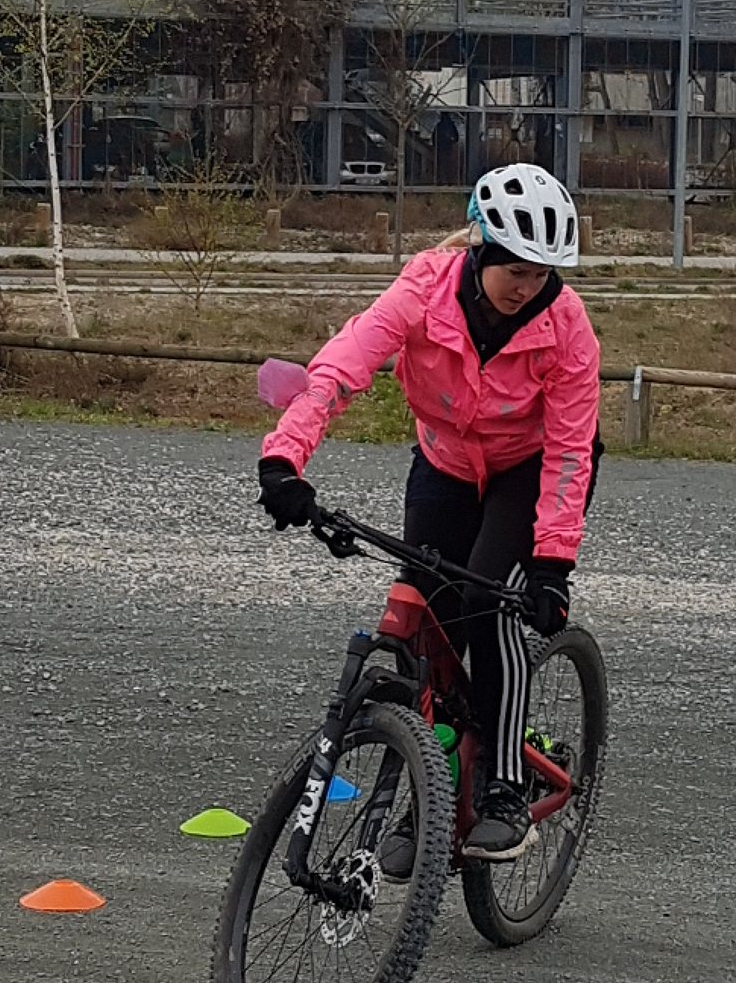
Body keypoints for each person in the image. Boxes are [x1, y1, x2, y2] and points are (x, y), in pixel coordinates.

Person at [255, 160, 602, 865]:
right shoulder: (422, 289)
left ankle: (505, 787)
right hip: (444, 463)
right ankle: (435, 795)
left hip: (528, 470)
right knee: (426, 620)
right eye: (516, 273)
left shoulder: (567, 329)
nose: (529, 289)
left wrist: (552, 564)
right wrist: (285, 460)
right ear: (481, 255)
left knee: (484, 601)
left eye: (542, 275)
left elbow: (569, 451)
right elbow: (340, 369)